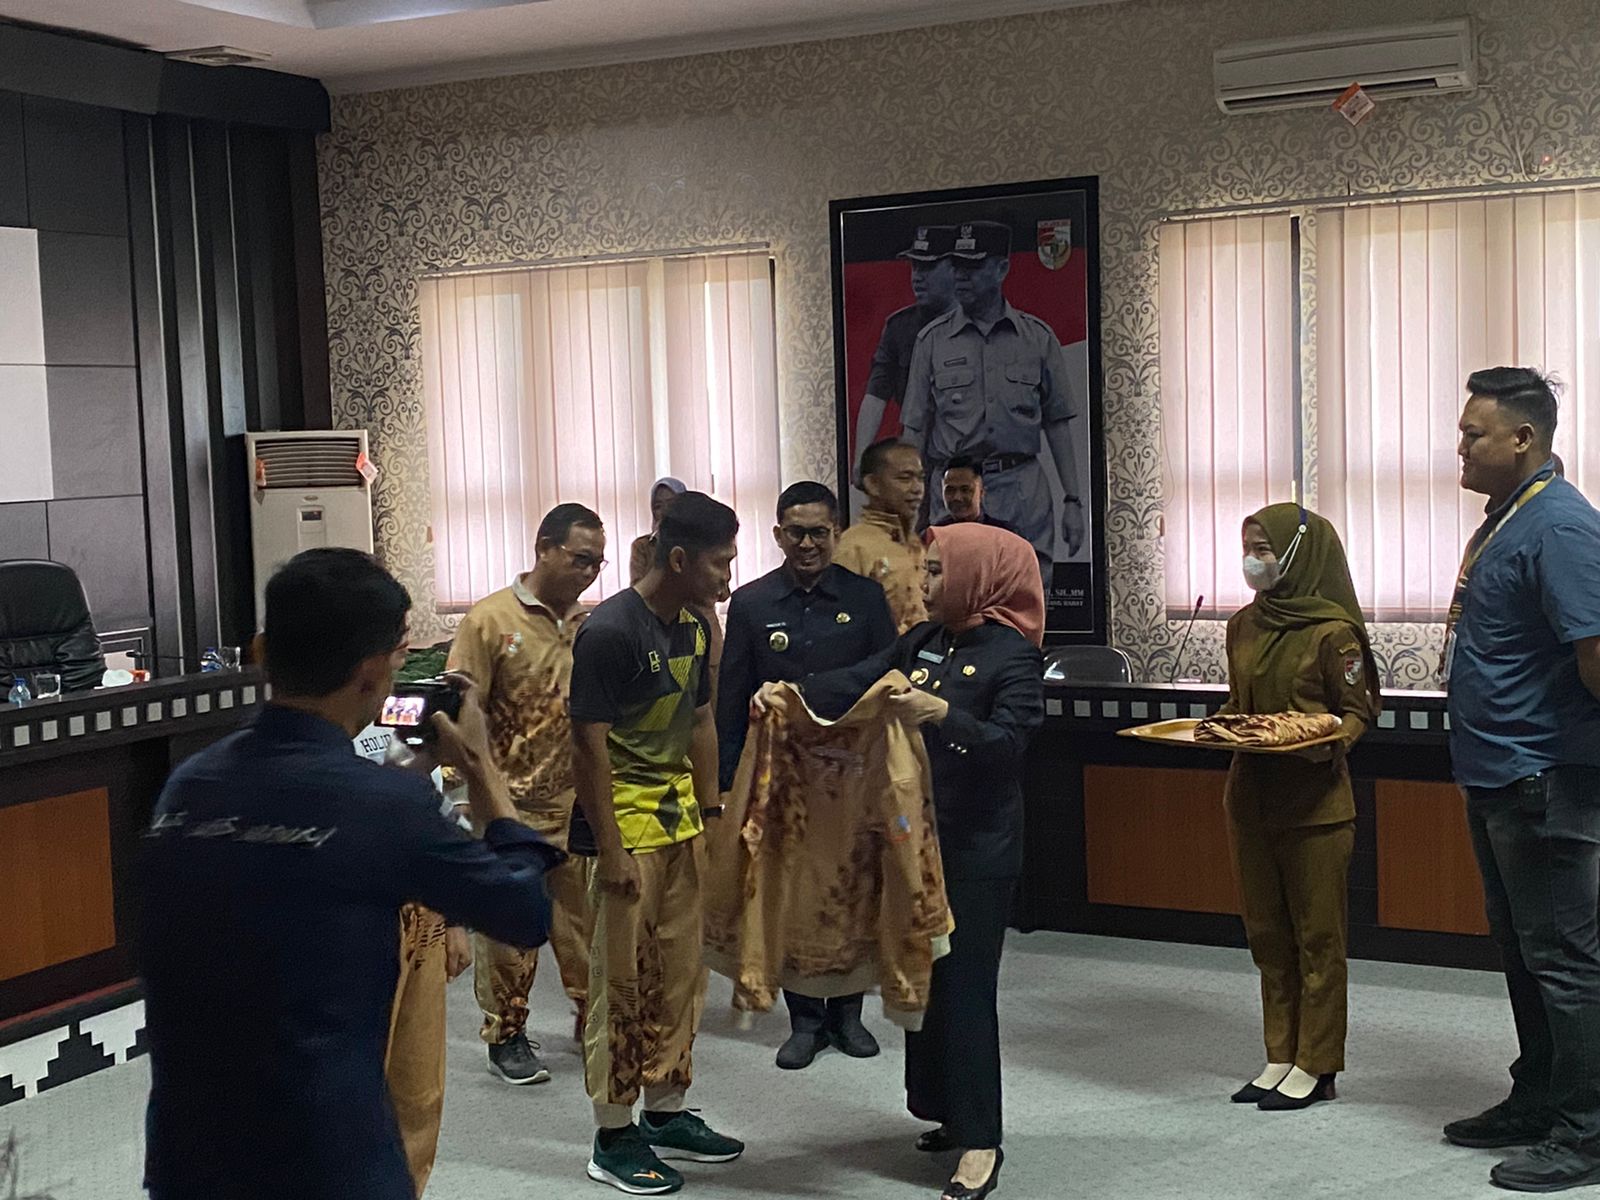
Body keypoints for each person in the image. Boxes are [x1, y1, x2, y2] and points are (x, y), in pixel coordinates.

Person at [139, 548, 563, 1200]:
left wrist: (409, 781)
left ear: (260, 652)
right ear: (372, 673)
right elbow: (524, 911)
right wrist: (482, 769)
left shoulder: (187, 787)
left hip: (189, 1154)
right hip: (326, 1157)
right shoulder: (384, 806)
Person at [766, 522, 1044, 1200]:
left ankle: (981, 1142)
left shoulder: (1013, 655)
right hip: (912, 842)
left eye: (939, 572)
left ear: (978, 577)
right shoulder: (923, 640)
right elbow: (859, 681)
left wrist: (942, 712)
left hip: (976, 851)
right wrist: (789, 692)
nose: (924, 583)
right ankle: (947, 1113)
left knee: (966, 991)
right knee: (924, 976)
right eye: (926, 570)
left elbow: (1009, 746)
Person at [1439, 367, 1600, 1193]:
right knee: (1526, 954)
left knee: (1565, 962)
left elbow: (1596, 657)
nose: (1460, 446)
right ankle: (1538, 1097)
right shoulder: (1509, 518)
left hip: (1544, 775)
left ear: (1523, 438)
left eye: (1474, 433)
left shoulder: (1561, 526)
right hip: (1497, 772)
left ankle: (1587, 1133)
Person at [570, 491, 746, 1195]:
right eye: (719, 563)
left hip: (680, 826)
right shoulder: (610, 631)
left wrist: (712, 810)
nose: (727, 576)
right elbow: (587, 747)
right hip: (624, 830)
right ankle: (613, 1134)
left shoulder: (695, 627)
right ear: (678, 559)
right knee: (621, 985)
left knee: (680, 978)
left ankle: (667, 1110)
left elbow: (700, 721)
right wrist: (611, 851)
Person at [716, 480, 897, 1070]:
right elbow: (732, 694)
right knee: (790, 891)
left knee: (851, 887)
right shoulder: (752, 603)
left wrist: (809, 691)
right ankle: (805, 1021)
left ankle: (848, 1015)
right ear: (778, 535)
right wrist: (727, 780)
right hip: (782, 775)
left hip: (852, 773)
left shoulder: (866, 598)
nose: (808, 544)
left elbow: (888, 671)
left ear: (836, 533)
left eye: (819, 532)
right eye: (796, 533)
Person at [1219, 504, 1380, 1112]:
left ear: (1297, 555)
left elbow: (1359, 712)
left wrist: (1324, 740)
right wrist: (1218, 728)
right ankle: (1278, 1054)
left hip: (1315, 805)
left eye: (1263, 549)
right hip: (1250, 799)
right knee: (1266, 934)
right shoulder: (1242, 624)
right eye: (1247, 548)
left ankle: (1317, 1062)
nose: (1252, 560)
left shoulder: (1333, 632)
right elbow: (1239, 706)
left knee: (1318, 938)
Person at [446, 502, 606, 1085]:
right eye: (580, 558)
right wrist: (478, 797)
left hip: (579, 805)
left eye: (598, 563)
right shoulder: (490, 621)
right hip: (508, 806)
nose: (589, 571)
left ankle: (592, 1019)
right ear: (544, 549)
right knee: (509, 934)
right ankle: (506, 1033)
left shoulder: (592, 627)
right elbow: (465, 716)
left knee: (586, 928)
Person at [900, 220, 1086, 573]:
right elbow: (915, 429)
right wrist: (907, 507)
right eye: (957, 265)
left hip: (1021, 491)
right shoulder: (932, 341)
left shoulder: (1036, 338)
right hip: (954, 491)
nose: (961, 276)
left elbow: (1058, 424)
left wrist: (1073, 501)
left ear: (1001, 269)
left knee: (1029, 592)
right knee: (951, 590)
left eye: (973, 266)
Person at [853, 225, 959, 500]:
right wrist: (861, 458)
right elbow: (876, 396)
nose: (918, 277)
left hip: (962, 466)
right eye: (915, 267)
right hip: (916, 460)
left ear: (954, 269)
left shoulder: (974, 329)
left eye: (928, 267)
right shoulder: (900, 327)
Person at [631, 476, 726, 704]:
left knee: (710, 699)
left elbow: (723, 592)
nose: (664, 511)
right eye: (658, 505)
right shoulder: (643, 546)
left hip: (704, 626)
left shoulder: (707, 545)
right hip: (661, 628)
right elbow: (639, 588)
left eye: (671, 504)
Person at [835, 437, 928, 633]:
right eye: (905, 478)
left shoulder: (916, 543)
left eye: (920, 478)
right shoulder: (852, 547)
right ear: (873, 484)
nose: (917, 489)